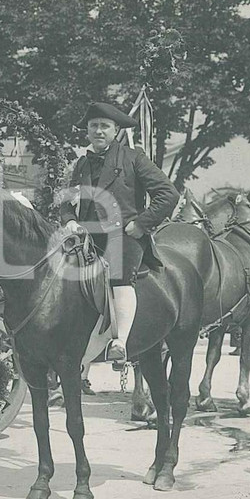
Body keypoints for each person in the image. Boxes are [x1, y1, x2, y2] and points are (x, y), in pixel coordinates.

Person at [59, 102, 180, 363]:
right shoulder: (81, 164)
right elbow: (66, 200)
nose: (98, 131)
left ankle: (120, 343)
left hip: (125, 236)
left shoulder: (133, 158)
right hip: (88, 238)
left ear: (116, 131)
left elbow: (168, 194)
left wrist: (142, 223)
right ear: (88, 131)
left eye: (104, 126)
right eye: (93, 126)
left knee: (119, 277)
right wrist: (69, 219)